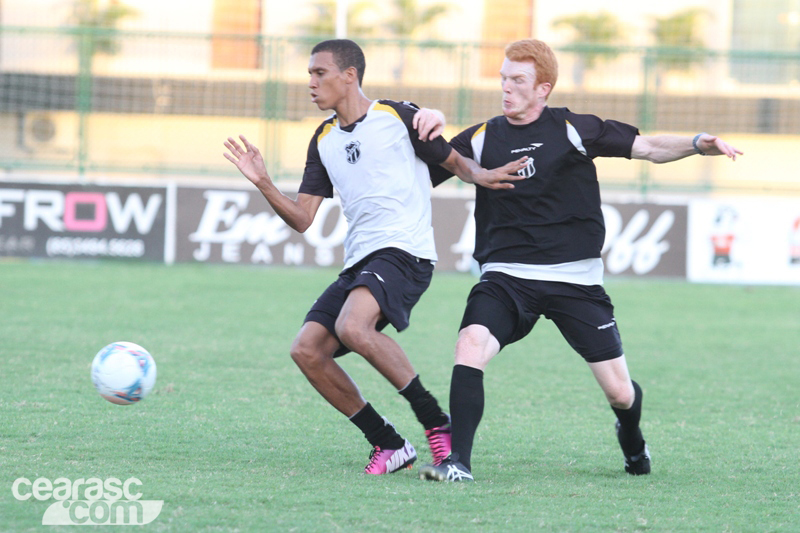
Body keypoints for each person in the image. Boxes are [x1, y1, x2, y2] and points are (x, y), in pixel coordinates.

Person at [417, 39, 743, 482]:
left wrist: (698, 142)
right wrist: (427, 121)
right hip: (507, 278)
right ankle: (459, 463)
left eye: (518, 81)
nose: (506, 88)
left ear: (543, 89)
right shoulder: (481, 137)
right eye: (503, 79)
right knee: (470, 345)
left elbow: (648, 148)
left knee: (621, 392)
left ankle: (631, 436)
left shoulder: (573, 129)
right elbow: (420, 170)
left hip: (576, 282)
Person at [223, 39, 525, 475]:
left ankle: (435, 421)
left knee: (352, 325)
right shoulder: (323, 140)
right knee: (307, 350)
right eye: (309, 74)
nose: (311, 82)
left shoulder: (397, 116)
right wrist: (264, 181)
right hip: (360, 261)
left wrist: (483, 174)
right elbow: (303, 218)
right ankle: (388, 443)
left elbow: (456, 162)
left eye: (319, 73)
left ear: (349, 75)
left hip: (406, 252)